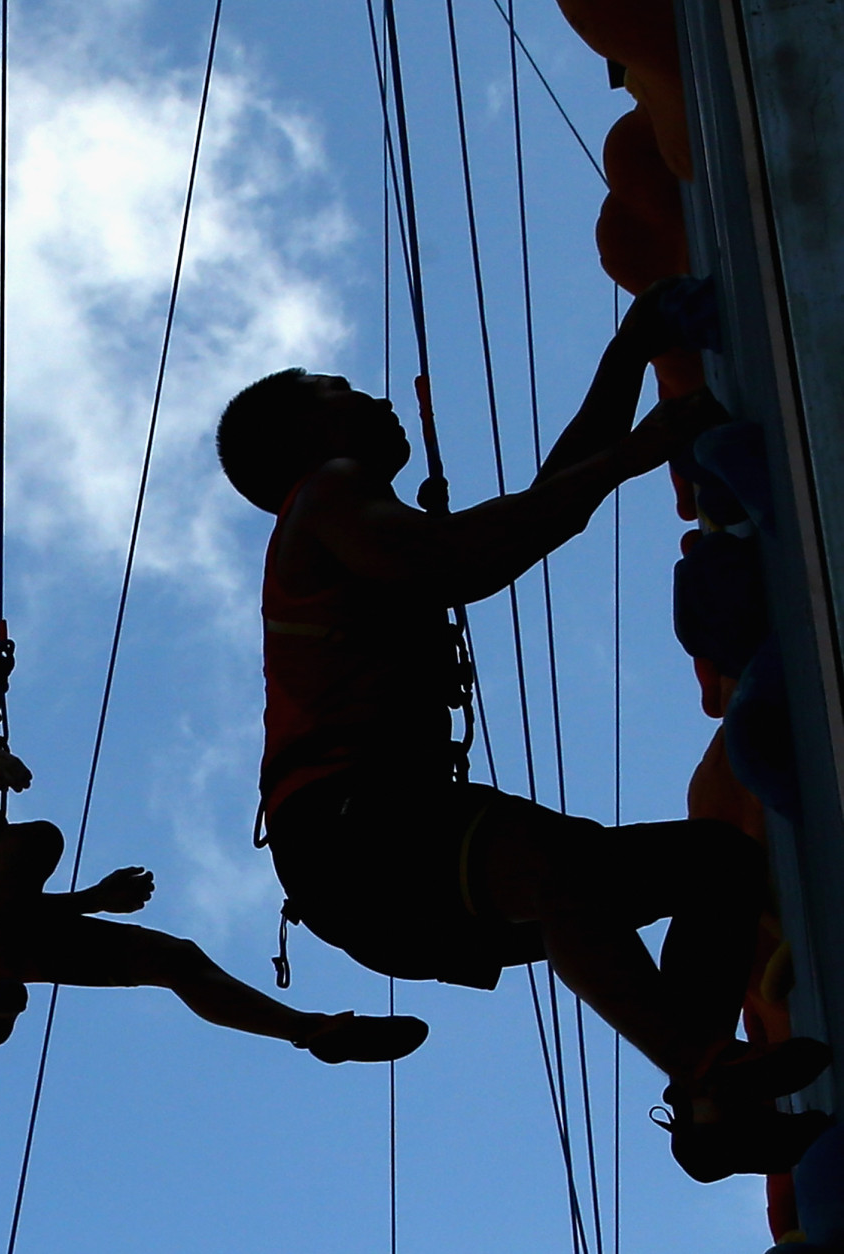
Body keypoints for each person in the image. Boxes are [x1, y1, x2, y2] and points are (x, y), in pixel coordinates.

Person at [216, 281, 831, 1183]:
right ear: (305, 440)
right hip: (353, 828)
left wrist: (630, 351)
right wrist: (641, 450)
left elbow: (552, 497)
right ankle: (705, 1068)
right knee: (558, 873)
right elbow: (468, 558)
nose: (375, 399)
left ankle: (713, 1110)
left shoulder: (349, 519)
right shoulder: (325, 497)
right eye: (340, 392)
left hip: (369, 860)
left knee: (715, 867)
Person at [0, 638, 429, 1064]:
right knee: (36, 839)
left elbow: (10, 907)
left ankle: (311, 1030)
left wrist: (94, 898)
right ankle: (4, 985)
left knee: (174, 959)